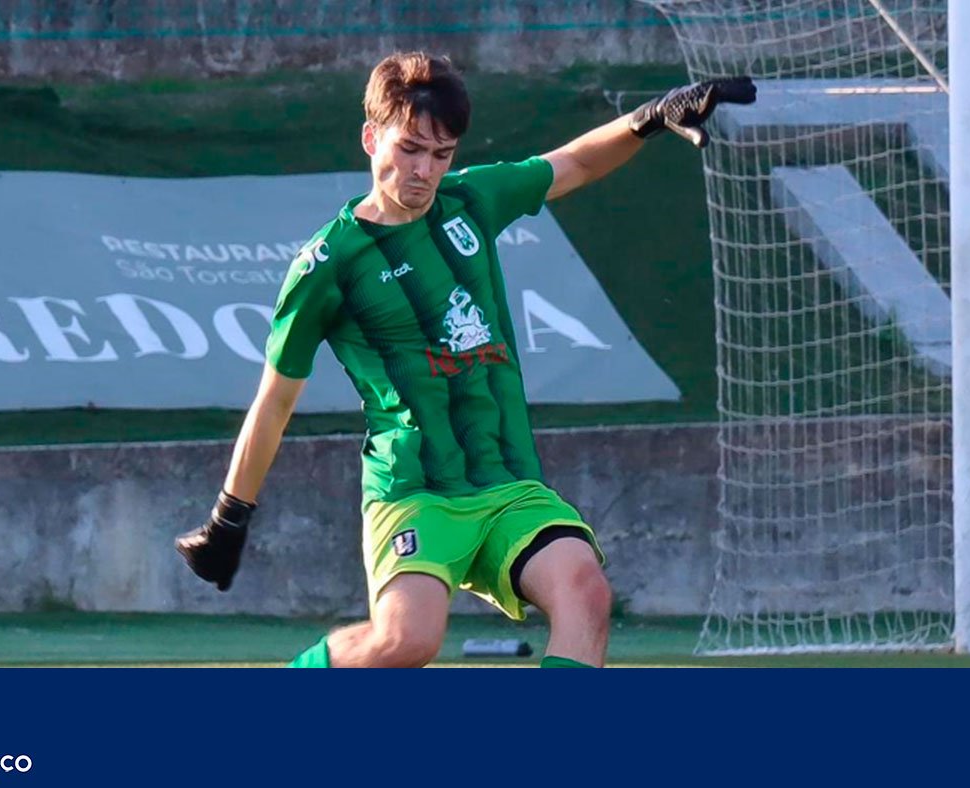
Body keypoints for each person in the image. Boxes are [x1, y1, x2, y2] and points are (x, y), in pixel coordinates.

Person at [177, 52, 756, 668]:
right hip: (416, 490)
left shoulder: (471, 201)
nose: (424, 171)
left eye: (441, 153)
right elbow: (275, 400)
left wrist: (647, 119)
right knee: (406, 641)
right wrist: (228, 517)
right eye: (409, 149)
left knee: (585, 591)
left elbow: (576, 163)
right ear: (371, 137)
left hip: (508, 484)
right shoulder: (328, 264)